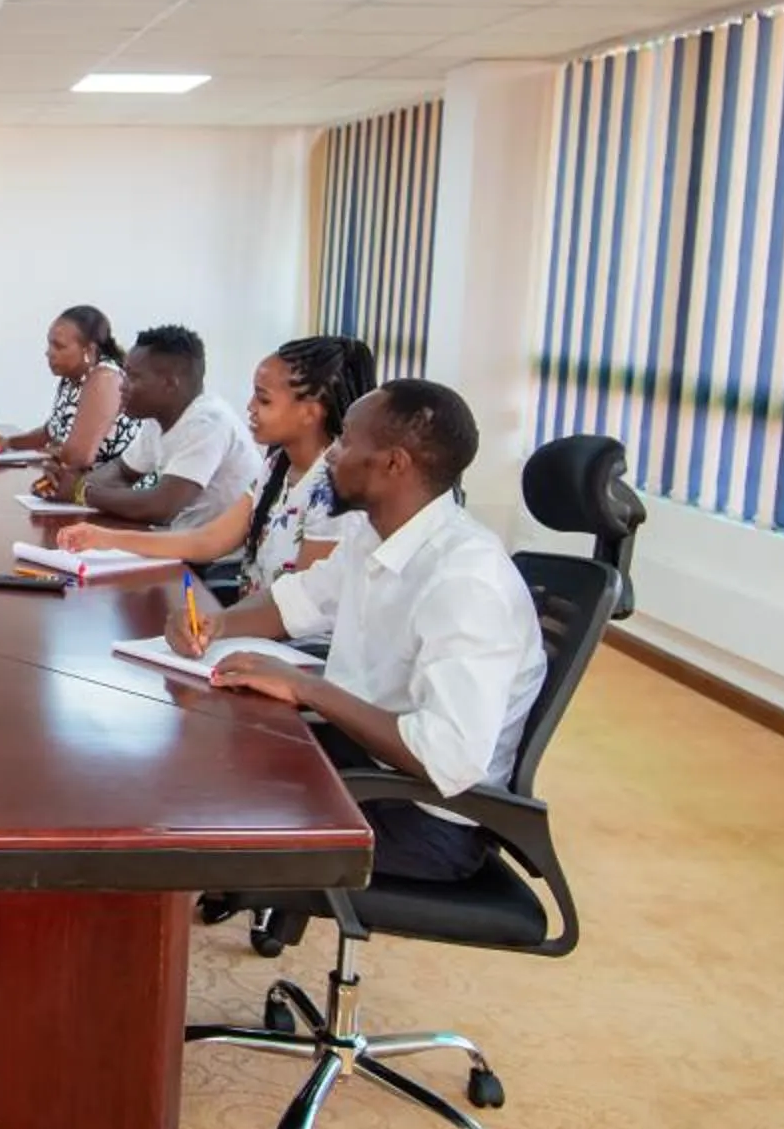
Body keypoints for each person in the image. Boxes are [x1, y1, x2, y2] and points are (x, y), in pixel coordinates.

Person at [179, 379, 547, 883]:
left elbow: (447, 759)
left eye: (347, 440)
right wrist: (216, 623)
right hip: (367, 761)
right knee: (209, 746)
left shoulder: (466, 579)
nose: (331, 454)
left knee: (202, 813)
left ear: (395, 463)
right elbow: (297, 601)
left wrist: (308, 687)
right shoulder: (373, 533)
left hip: (426, 818)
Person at [59, 335, 374, 592]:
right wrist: (103, 538)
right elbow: (208, 540)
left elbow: (300, 605)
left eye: (263, 400)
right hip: (255, 623)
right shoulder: (277, 466)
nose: (249, 407)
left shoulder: (334, 490)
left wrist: (220, 625)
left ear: (311, 411)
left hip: (292, 648)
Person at [48, 324, 253, 529]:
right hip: (180, 541)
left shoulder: (208, 423)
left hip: (218, 559)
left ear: (170, 384)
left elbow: (161, 508)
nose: (122, 385)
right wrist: (65, 486)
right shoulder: (159, 418)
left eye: (133, 377)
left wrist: (80, 492)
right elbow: (122, 472)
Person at [0, 305, 139, 468]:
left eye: (59, 346)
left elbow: (79, 457)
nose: (49, 353)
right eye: (49, 344)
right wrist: (7, 443)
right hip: (77, 484)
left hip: (112, 488)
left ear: (89, 350)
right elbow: (51, 432)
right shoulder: (72, 377)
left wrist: (53, 450)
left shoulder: (104, 379)